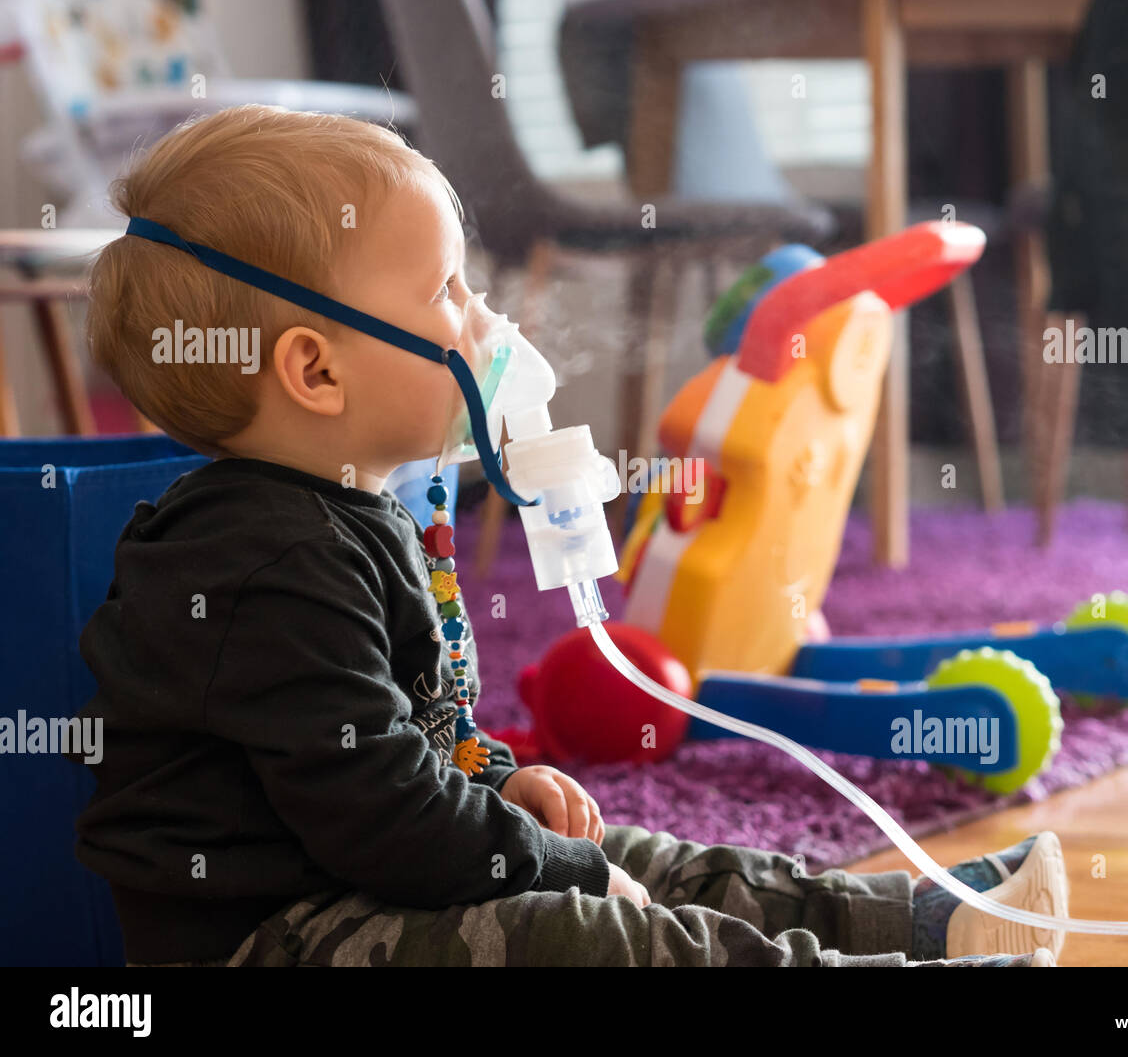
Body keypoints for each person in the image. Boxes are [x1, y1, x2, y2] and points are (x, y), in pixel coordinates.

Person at [66, 105, 1067, 967]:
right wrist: (559, 867)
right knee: (587, 930)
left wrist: (502, 782)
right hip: (282, 934)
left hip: (373, 880)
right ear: (315, 373)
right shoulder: (263, 561)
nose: (482, 317)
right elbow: (386, 822)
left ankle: (924, 920)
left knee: (638, 857)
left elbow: (416, 738)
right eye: (445, 292)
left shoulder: (358, 507)